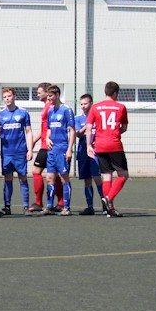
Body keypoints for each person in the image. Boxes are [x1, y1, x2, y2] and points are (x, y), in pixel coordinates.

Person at [86, 81, 129, 218]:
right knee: (123, 175)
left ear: (105, 92)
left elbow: (88, 127)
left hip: (100, 145)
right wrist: (115, 133)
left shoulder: (95, 107)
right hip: (115, 144)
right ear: (115, 93)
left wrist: (88, 145)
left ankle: (110, 209)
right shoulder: (121, 107)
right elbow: (124, 127)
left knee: (107, 176)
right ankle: (109, 198)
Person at [0, 87, 33, 215]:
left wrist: (30, 149)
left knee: (22, 178)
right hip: (6, 152)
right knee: (7, 179)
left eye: (9, 96)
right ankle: (7, 206)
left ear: (14, 96)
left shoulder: (23, 112)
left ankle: (26, 207)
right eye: (5, 97)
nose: (7, 99)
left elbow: (28, 132)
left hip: (20, 152)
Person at [30, 81, 63, 212]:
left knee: (37, 171)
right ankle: (59, 202)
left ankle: (41, 202)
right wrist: (33, 141)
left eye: (39, 92)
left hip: (49, 146)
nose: (37, 95)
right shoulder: (46, 106)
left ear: (46, 92)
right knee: (53, 175)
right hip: (45, 144)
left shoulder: (51, 106)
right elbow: (43, 129)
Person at [42, 86, 75, 216]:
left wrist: (69, 149)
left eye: (50, 96)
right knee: (50, 177)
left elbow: (72, 130)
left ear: (57, 95)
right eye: (48, 96)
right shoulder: (50, 111)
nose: (48, 98)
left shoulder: (67, 110)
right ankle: (49, 206)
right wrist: (47, 138)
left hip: (62, 149)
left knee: (64, 178)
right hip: (52, 149)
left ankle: (66, 207)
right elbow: (48, 128)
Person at [74, 94, 104, 215]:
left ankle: (105, 205)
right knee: (87, 180)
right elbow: (77, 134)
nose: (83, 106)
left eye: (85, 103)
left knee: (97, 178)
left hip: (96, 152)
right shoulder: (77, 119)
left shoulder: (99, 117)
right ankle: (90, 207)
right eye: (81, 104)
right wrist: (88, 125)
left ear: (91, 103)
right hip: (83, 152)